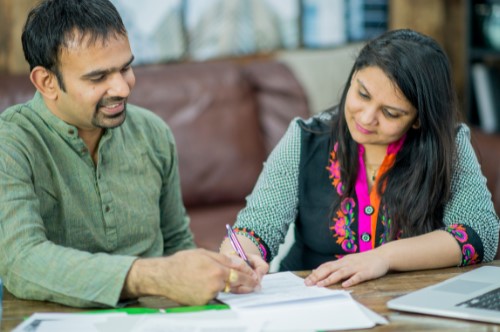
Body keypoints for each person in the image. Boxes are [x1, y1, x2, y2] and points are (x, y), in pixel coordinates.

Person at [0, 0, 266, 308]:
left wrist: (221, 270)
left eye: (126, 68)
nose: (123, 89)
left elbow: (177, 243)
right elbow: (21, 260)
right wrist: (150, 276)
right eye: (98, 77)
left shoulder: (153, 132)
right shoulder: (11, 143)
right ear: (46, 82)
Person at [220, 29, 500, 288]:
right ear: (352, 77)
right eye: (362, 94)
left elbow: (480, 234)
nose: (366, 118)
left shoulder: (449, 146)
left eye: (391, 113)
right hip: (309, 302)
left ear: (418, 119)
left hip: (407, 304)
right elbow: (256, 229)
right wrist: (239, 257)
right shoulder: (304, 139)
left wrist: (384, 257)